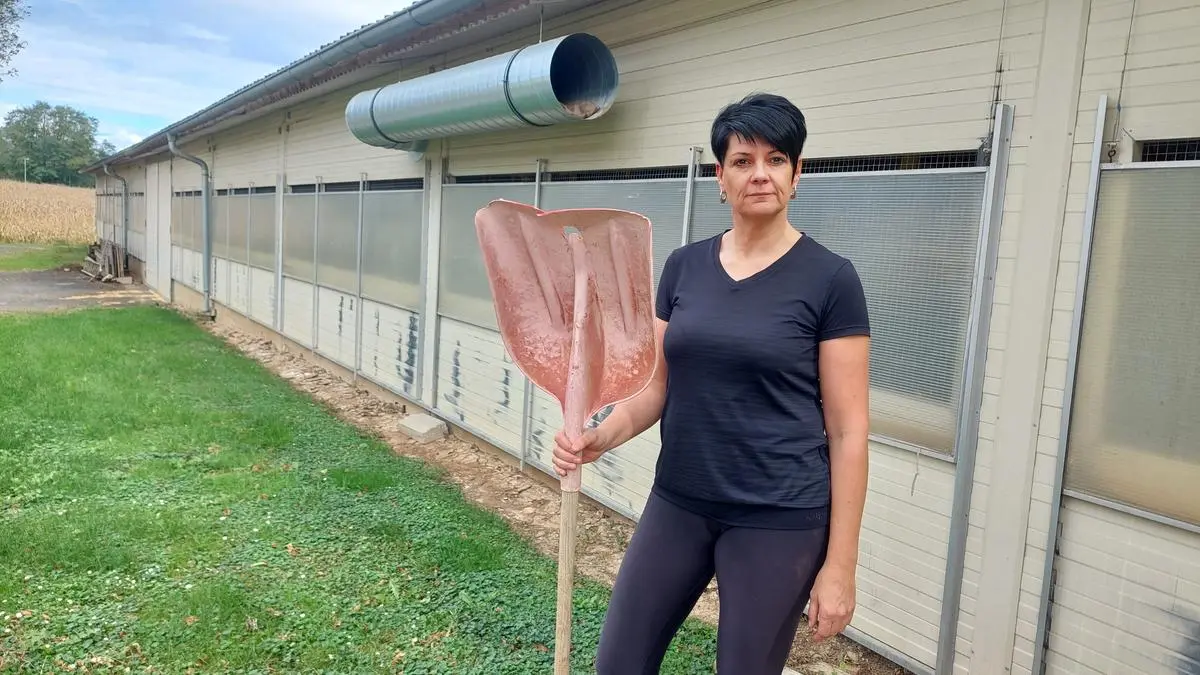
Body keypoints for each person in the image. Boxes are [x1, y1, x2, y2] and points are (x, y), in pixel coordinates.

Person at [551, 92, 871, 674]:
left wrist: (840, 565)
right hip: (680, 499)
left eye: (776, 160)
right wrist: (604, 433)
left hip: (778, 517)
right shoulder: (684, 267)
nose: (760, 175)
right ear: (720, 177)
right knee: (619, 663)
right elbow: (655, 387)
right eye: (743, 161)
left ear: (797, 175)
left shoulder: (831, 280)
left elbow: (849, 431)